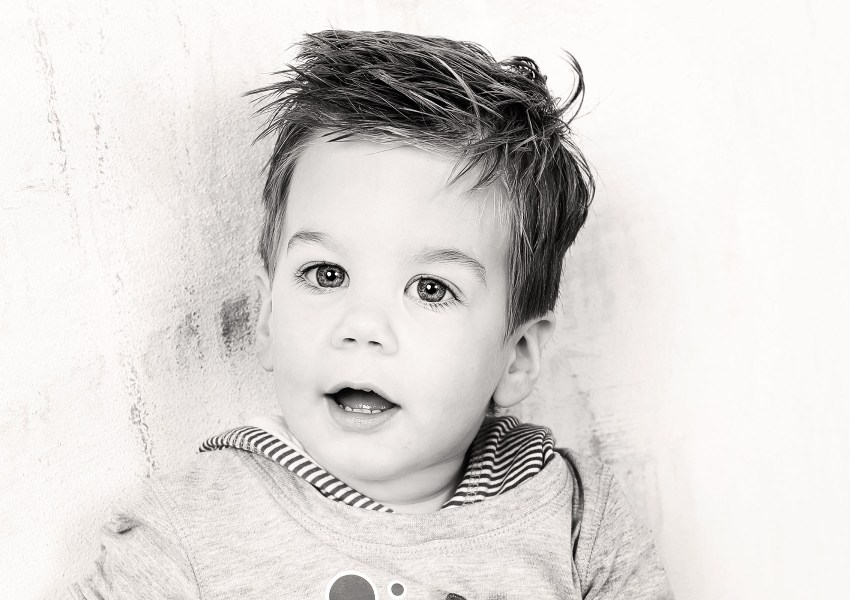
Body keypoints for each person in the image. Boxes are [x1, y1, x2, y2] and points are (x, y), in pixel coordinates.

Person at [70, 30, 673, 599]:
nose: (363, 327)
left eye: (431, 289)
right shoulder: (187, 534)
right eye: (326, 275)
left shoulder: (576, 521)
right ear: (267, 317)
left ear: (516, 357)